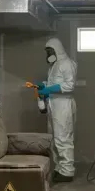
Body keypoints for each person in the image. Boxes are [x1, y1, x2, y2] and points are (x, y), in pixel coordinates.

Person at [35, 38, 77, 182]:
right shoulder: (53, 66)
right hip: (54, 104)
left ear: (57, 50)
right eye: (47, 52)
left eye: (50, 51)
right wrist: (44, 86)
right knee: (54, 138)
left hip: (63, 105)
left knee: (63, 137)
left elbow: (69, 85)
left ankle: (68, 171)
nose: (48, 54)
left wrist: (48, 89)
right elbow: (55, 83)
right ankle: (60, 168)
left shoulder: (67, 64)